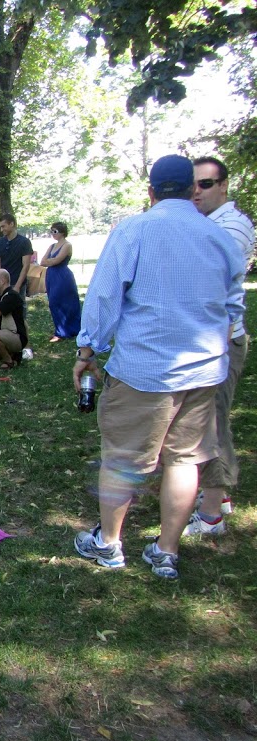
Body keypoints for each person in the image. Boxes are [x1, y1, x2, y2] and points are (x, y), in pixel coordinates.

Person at [72, 155, 244, 580]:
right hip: (204, 371)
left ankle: (108, 544)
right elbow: (232, 308)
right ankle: (165, 550)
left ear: (151, 192)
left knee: (122, 458)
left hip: (145, 370)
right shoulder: (220, 237)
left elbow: (105, 297)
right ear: (191, 190)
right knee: (186, 461)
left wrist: (88, 349)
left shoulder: (135, 229)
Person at [184, 156, 254, 536]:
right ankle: (216, 495)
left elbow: (206, 281)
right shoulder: (208, 224)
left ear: (224, 185)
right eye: (193, 183)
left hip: (219, 342)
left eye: (206, 184)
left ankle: (211, 514)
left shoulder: (231, 226)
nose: (197, 190)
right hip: (205, 340)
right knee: (206, 422)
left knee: (210, 425)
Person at [39, 222, 81, 342]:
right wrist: (50, 261)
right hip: (51, 276)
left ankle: (69, 330)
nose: (53, 234)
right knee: (53, 302)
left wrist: (50, 261)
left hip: (63, 276)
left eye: (55, 231)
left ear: (62, 232)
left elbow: (57, 260)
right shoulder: (52, 246)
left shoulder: (67, 245)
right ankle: (60, 330)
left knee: (66, 302)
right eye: (51, 231)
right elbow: (43, 261)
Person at [0, 213, 34, 297]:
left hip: (17, 282)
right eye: (0, 227)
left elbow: (26, 266)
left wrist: (17, 286)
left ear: (12, 224)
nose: (1, 229)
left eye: (3, 226)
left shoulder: (24, 242)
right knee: (1, 308)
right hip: (2, 284)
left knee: (19, 308)